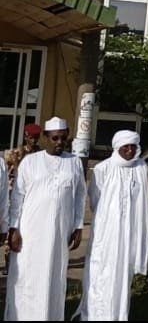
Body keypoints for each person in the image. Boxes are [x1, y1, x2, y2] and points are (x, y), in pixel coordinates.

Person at [5, 116, 85, 321]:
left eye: (63, 138)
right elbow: (17, 198)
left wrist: (77, 226)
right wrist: (13, 229)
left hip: (60, 234)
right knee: (28, 278)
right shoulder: (30, 162)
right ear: (45, 137)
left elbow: (79, 197)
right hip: (30, 233)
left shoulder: (74, 163)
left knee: (54, 279)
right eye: (55, 138)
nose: (60, 142)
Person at [77, 130, 148, 321]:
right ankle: (95, 315)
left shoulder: (141, 168)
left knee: (122, 275)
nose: (129, 150)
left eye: (132, 146)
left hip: (130, 233)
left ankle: (117, 315)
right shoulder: (103, 168)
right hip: (106, 232)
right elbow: (95, 200)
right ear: (117, 147)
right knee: (101, 272)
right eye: (125, 147)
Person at [4, 123, 40, 188]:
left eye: (36, 138)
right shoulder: (15, 153)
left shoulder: (40, 154)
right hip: (15, 187)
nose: (33, 141)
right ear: (25, 138)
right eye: (31, 138)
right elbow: (7, 173)